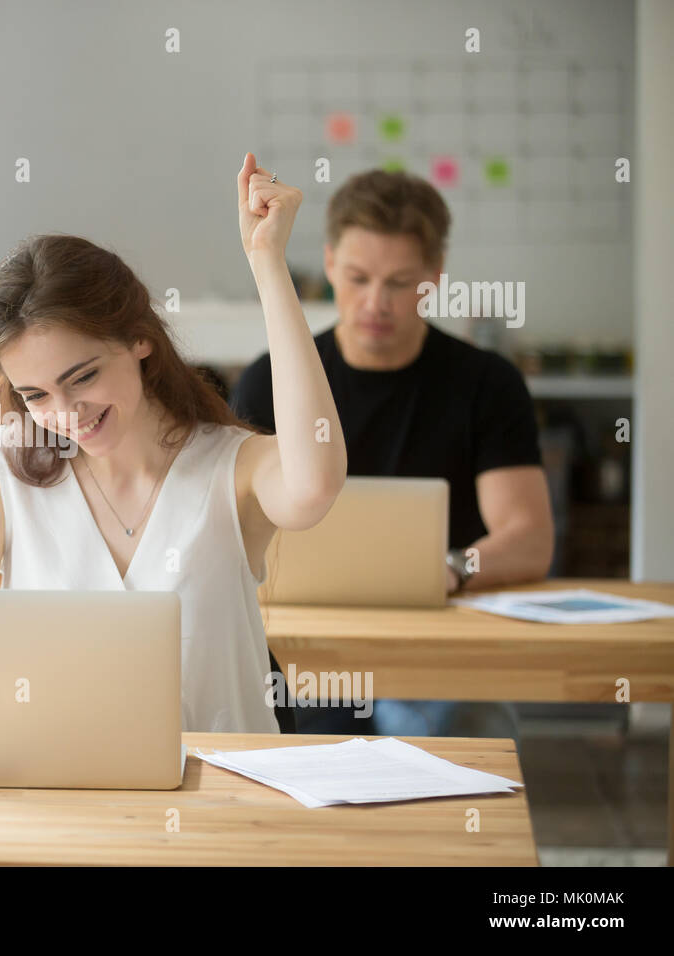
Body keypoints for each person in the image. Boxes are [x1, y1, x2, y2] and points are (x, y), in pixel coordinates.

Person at [0, 154, 347, 734]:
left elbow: (316, 482)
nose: (67, 414)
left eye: (82, 377)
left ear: (139, 340)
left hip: (228, 808)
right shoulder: (0, 466)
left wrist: (267, 262)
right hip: (64, 796)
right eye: (36, 395)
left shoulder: (232, 467)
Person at [230, 168, 553, 738]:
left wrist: (453, 568)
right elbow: (234, 533)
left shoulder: (487, 382)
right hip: (307, 648)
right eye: (357, 277)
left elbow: (527, 538)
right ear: (329, 265)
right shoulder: (271, 380)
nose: (376, 302)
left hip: (439, 644)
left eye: (401, 282)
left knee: (445, 738)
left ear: (434, 278)